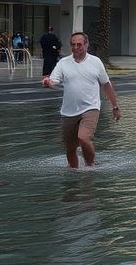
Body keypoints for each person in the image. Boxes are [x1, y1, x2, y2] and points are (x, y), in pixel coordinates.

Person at [42, 31, 121, 169]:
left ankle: (90, 168)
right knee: (70, 148)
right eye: (73, 45)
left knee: (84, 138)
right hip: (68, 111)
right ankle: (74, 172)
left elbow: (106, 84)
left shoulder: (95, 62)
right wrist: (48, 82)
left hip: (91, 108)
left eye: (79, 44)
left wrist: (115, 106)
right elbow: (54, 80)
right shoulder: (63, 63)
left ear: (86, 45)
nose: (76, 47)